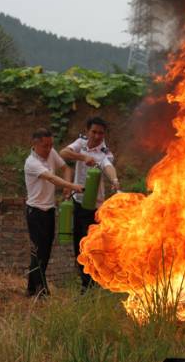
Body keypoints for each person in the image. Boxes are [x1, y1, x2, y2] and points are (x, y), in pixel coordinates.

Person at [60, 116, 120, 291]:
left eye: (100, 133)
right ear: (88, 131)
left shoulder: (105, 153)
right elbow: (63, 152)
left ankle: (92, 284)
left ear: (104, 134)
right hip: (78, 203)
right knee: (79, 244)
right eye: (94, 132)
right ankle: (85, 283)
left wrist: (114, 180)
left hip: (95, 208)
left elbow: (108, 166)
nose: (97, 136)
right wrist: (82, 157)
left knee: (92, 247)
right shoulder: (81, 143)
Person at [24, 129, 84, 297]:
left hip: (49, 210)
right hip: (35, 211)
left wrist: (67, 184)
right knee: (39, 250)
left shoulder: (51, 153)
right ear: (35, 145)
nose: (49, 149)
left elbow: (65, 168)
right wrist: (73, 186)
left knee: (45, 250)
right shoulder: (31, 162)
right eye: (45, 146)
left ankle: (31, 288)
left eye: (51, 145)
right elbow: (51, 178)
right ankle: (41, 290)